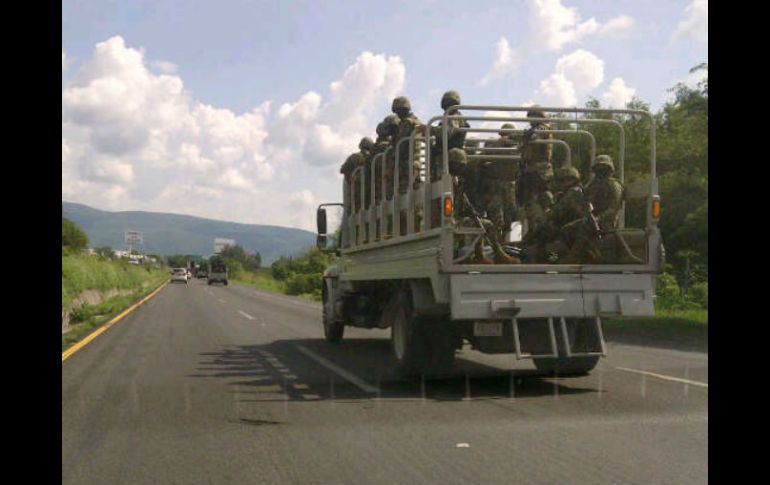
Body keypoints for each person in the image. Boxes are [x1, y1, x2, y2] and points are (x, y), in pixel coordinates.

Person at [450, 148, 520, 264]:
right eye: (459, 165)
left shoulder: (456, 181)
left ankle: (487, 254)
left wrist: (472, 213)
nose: (462, 168)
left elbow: (464, 201)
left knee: (484, 223)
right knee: (485, 224)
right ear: (452, 164)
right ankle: (493, 254)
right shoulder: (448, 182)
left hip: (455, 219)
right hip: (450, 222)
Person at [522, 166, 599, 264]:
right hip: (571, 231)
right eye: (561, 180)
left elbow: (556, 212)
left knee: (549, 249)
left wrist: (542, 218)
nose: (561, 183)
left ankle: (552, 260)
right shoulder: (568, 193)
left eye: (563, 180)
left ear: (572, 180)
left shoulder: (574, 192)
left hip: (574, 233)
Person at [518, 107, 554, 237]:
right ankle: (533, 232)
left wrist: (524, 137)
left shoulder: (543, 128)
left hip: (540, 171)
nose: (529, 120)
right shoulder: (533, 130)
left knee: (542, 202)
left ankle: (544, 232)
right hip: (531, 170)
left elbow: (534, 136)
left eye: (531, 117)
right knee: (529, 204)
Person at [483, 123, 519, 242]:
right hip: (496, 184)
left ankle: (508, 242)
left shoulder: (516, 146)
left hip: (509, 184)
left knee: (511, 215)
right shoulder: (493, 144)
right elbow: (484, 159)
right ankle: (496, 244)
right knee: (496, 216)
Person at [585, 154, 624, 232]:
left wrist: (598, 218)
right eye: (599, 169)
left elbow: (614, 207)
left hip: (606, 223)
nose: (601, 172)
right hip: (591, 219)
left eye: (604, 169)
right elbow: (585, 200)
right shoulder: (592, 185)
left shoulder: (613, 185)